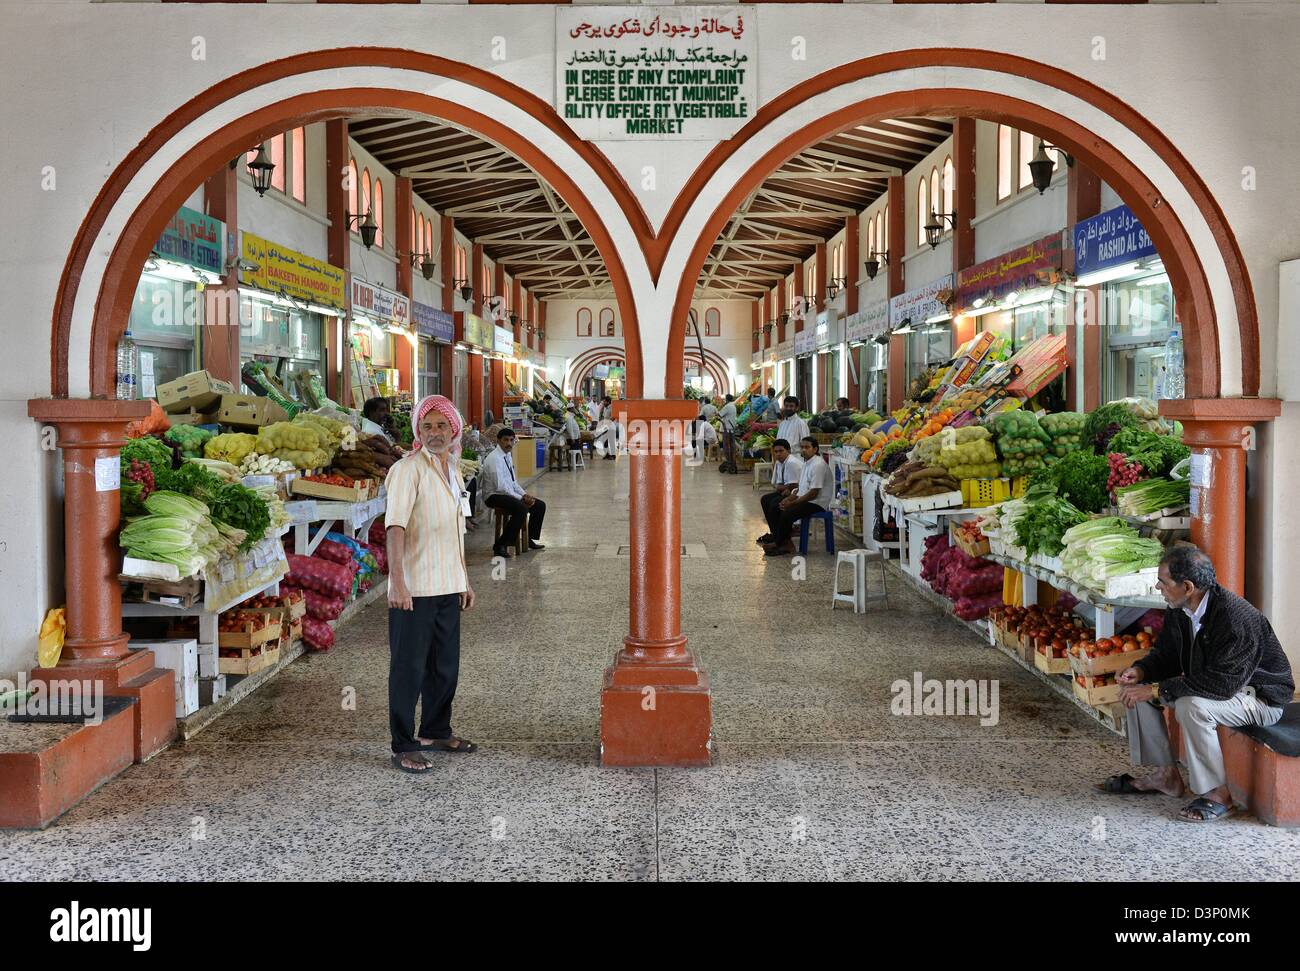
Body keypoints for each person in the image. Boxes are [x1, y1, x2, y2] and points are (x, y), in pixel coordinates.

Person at [1099, 544, 1295, 822]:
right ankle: (1166, 775)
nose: (1158, 587)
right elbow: (1166, 655)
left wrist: (1156, 689)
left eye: (1163, 582)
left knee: (1191, 706)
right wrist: (1141, 672)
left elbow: (1222, 685)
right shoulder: (1179, 609)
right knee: (1134, 690)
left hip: (1259, 699)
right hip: (1219, 688)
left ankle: (1220, 795)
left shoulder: (1236, 618)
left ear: (1188, 586)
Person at [384, 394, 478, 774]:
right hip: (416, 588)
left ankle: (436, 730)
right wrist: (397, 582)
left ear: (454, 428)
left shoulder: (452, 469)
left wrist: (465, 580)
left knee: (444, 666)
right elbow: (395, 526)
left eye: (441, 426)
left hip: (447, 584)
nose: (435, 433)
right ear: (418, 432)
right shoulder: (408, 470)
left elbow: (457, 530)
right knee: (409, 667)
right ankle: (403, 744)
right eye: (427, 426)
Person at [482, 427, 547, 557]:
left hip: (507, 493)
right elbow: (500, 486)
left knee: (539, 505)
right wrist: (520, 498)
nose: (509, 443)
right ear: (498, 440)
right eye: (506, 440)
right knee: (521, 508)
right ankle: (501, 545)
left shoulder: (507, 456)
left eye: (511, 440)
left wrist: (524, 494)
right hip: (494, 495)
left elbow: (513, 482)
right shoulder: (495, 459)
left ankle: (529, 539)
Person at [763, 436, 832, 556]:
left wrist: (793, 503)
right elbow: (802, 487)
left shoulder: (818, 465)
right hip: (806, 498)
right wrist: (789, 498)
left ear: (815, 449)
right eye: (802, 447)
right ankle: (783, 541)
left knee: (787, 512)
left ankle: (781, 543)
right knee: (778, 505)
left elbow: (814, 492)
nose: (803, 450)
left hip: (817, 502)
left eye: (807, 447)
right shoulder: (807, 463)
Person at [756, 439, 803, 545]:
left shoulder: (791, 463)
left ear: (789, 451)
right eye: (776, 451)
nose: (778, 454)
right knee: (765, 499)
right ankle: (776, 533)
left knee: (774, 504)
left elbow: (794, 485)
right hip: (787, 490)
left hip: (798, 493)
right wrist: (781, 488)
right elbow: (777, 484)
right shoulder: (779, 463)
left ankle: (783, 538)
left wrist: (781, 488)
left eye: (781, 451)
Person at [718, 394, 739, 472]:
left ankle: (729, 462)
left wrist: (716, 413)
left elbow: (719, 414)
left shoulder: (727, 407)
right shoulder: (733, 406)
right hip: (732, 429)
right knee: (732, 447)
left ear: (726, 399)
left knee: (726, 447)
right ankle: (732, 462)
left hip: (727, 430)